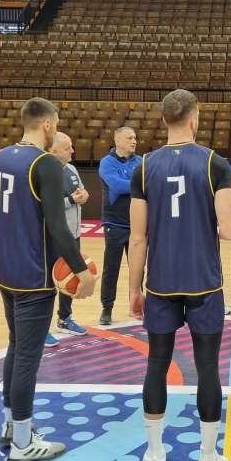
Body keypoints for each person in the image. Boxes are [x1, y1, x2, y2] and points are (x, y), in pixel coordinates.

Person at [0, 98, 96, 461]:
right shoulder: (46, 164)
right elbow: (58, 227)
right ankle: (23, 444)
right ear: (46, 124)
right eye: (56, 121)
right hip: (34, 273)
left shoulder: (1, 157)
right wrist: (81, 270)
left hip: (4, 269)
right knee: (28, 355)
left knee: (17, 347)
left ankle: (11, 425)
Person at [127, 89, 231, 461]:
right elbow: (229, 231)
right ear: (195, 118)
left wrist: (134, 289)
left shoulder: (144, 167)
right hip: (203, 284)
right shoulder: (215, 163)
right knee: (207, 367)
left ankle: (154, 454)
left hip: (161, 283)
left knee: (156, 364)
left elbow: (137, 238)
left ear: (164, 120)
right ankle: (208, 458)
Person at [44, 132, 89, 348]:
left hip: (74, 234)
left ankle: (64, 319)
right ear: (53, 151)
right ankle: (42, 328)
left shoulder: (71, 169)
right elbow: (45, 207)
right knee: (49, 282)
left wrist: (83, 196)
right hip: (54, 236)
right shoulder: (45, 172)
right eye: (67, 148)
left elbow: (82, 191)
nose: (72, 151)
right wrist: (71, 200)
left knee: (70, 277)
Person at [98, 126, 142, 325]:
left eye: (135, 137)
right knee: (111, 268)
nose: (134, 141)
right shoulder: (107, 162)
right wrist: (137, 184)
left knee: (138, 269)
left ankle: (137, 306)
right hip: (114, 223)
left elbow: (142, 185)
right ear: (118, 141)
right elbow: (116, 186)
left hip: (137, 224)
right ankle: (107, 309)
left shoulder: (140, 161)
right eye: (130, 138)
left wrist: (128, 185)